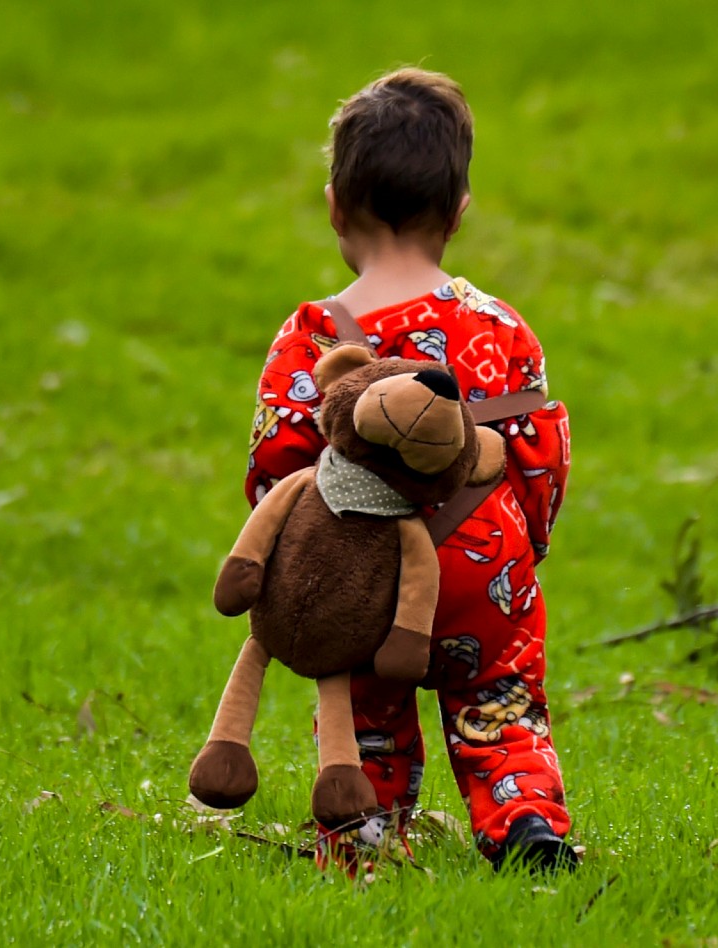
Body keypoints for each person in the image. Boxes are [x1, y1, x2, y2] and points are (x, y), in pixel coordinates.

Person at [245, 68, 576, 873]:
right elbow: (540, 450)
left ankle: (363, 837)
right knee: (499, 697)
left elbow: (276, 468)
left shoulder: (313, 333)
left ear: (333, 205)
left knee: (365, 710)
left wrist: (297, 563)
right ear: (459, 214)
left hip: (363, 570)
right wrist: (524, 543)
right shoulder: (497, 323)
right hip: (482, 563)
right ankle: (526, 821)